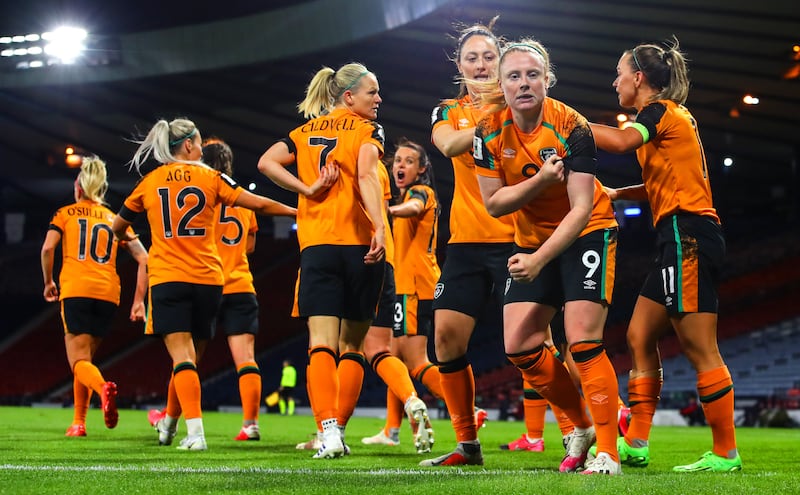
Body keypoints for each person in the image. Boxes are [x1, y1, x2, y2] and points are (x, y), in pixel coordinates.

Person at [465, 38, 621, 475]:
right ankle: (581, 426)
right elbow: (494, 204)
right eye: (514, 76)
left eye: (533, 74)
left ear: (547, 79)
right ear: (502, 83)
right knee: (519, 344)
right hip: (532, 239)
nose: (524, 83)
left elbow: (582, 208)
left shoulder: (573, 126)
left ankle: (607, 453)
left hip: (588, 232)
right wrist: (539, 185)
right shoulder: (487, 133)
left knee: (582, 338)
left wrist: (538, 261)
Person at [422, 21, 571, 466]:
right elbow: (448, 146)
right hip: (466, 241)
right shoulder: (448, 109)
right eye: (472, 58)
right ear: (460, 65)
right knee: (445, 340)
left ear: (502, 63)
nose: (481, 64)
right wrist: (492, 117)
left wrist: (508, 107)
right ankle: (467, 444)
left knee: (536, 342)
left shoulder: (528, 108)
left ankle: (572, 433)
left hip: (517, 238)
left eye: (489, 57)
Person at [590, 38, 741, 472]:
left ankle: (726, 453)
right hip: (677, 235)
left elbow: (618, 143)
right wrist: (620, 193)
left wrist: (567, 122)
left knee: (699, 347)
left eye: (619, 72)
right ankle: (636, 441)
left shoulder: (656, 112)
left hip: (686, 235)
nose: (615, 80)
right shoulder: (672, 117)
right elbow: (670, 177)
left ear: (638, 78)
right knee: (639, 335)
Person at [113, 117, 296, 451]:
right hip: (211, 280)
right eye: (198, 142)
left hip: (170, 278)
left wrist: (137, 243)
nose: (201, 148)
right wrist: (298, 210)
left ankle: (195, 434)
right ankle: (169, 426)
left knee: (182, 358)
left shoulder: (150, 181)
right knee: (199, 358)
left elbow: (117, 226)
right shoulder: (211, 177)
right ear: (188, 145)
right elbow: (258, 204)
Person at [257, 62, 387, 460]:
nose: (379, 99)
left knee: (320, 345)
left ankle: (327, 433)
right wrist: (380, 226)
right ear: (349, 97)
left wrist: (307, 190)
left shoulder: (303, 132)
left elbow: (265, 163)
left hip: (317, 247)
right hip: (360, 246)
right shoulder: (368, 130)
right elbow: (367, 175)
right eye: (372, 92)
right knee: (353, 346)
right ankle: (340, 431)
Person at [41, 155, 148, 437]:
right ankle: (79, 423)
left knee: (78, 361)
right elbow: (145, 259)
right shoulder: (115, 218)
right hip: (107, 293)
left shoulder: (64, 214)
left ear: (78, 188)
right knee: (85, 359)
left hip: (76, 289)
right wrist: (139, 300)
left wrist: (48, 281)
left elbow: (47, 249)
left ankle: (102, 389)